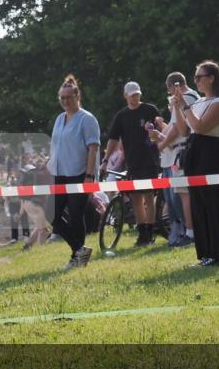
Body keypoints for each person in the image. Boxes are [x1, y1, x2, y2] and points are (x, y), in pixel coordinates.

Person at [171, 61, 219, 267]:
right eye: (195, 77)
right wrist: (178, 107)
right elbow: (183, 130)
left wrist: (186, 106)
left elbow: (200, 126)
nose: (196, 81)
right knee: (199, 206)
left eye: (199, 77)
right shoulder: (198, 103)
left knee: (214, 205)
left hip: (212, 154)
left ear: (212, 78)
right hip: (196, 153)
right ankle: (206, 254)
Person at [47, 75, 101, 270]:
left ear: (77, 96)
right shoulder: (59, 119)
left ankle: (76, 257)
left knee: (76, 215)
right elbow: (56, 145)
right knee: (51, 214)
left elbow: (93, 148)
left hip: (79, 173)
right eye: (62, 97)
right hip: (60, 173)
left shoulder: (87, 119)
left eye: (69, 97)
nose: (65, 101)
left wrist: (89, 175)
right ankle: (79, 249)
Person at [102, 82, 160, 247]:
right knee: (136, 199)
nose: (135, 97)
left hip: (150, 161)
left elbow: (160, 131)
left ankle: (149, 234)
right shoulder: (121, 116)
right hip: (133, 164)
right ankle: (142, 234)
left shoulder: (150, 110)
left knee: (149, 197)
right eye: (132, 95)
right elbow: (113, 139)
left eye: (137, 94)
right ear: (126, 96)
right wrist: (106, 161)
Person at [157, 72, 199, 247]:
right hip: (183, 151)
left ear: (174, 87)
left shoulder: (186, 98)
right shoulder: (193, 97)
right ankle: (188, 231)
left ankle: (190, 232)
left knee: (183, 195)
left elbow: (179, 129)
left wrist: (161, 143)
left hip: (183, 151)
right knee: (180, 196)